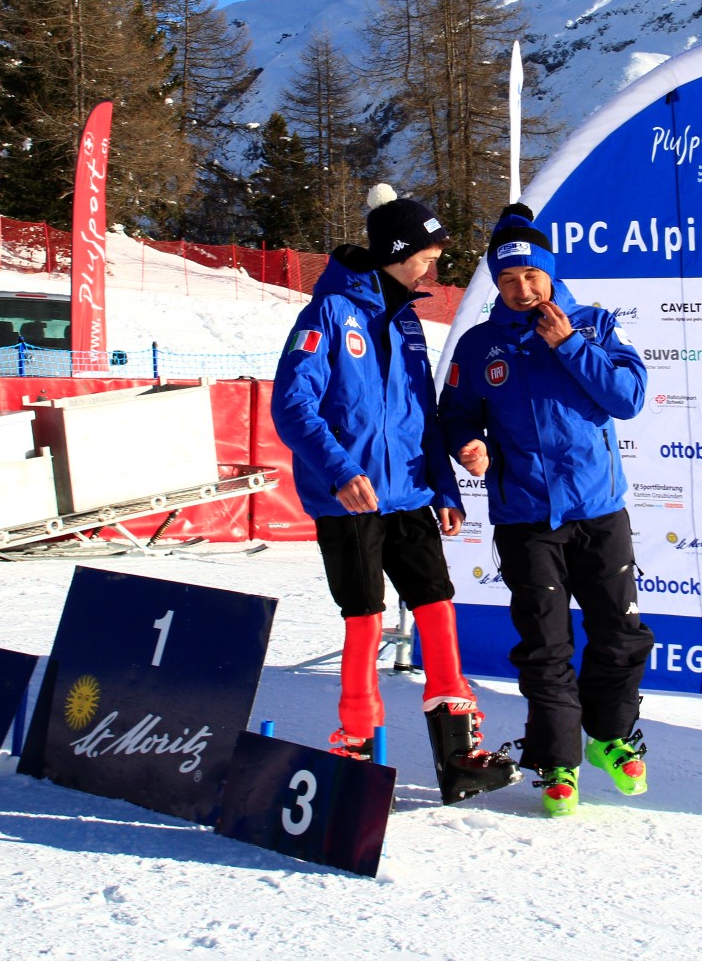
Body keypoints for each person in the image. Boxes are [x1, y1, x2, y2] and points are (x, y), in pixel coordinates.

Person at [271, 183, 520, 805]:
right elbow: (291, 405)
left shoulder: (408, 322)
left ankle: (461, 755)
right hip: (349, 502)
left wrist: (443, 485)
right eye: (428, 254)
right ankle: (354, 746)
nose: (436, 264)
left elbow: (422, 417)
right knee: (364, 619)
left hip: (409, 496)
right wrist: (338, 470)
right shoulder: (328, 314)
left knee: (436, 607)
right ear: (397, 251)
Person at [438, 204, 653, 817]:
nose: (523, 289)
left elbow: (627, 397)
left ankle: (611, 734)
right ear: (496, 286)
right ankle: (558, 763)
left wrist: (569, 344)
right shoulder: (480, 346)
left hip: (598, 509)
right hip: (526, 517)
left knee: (619, 631)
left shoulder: (595, 325)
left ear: (551, 274)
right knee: (546, 644)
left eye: (532, 277)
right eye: (509, 281)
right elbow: (455, 413)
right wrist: (466, 444)